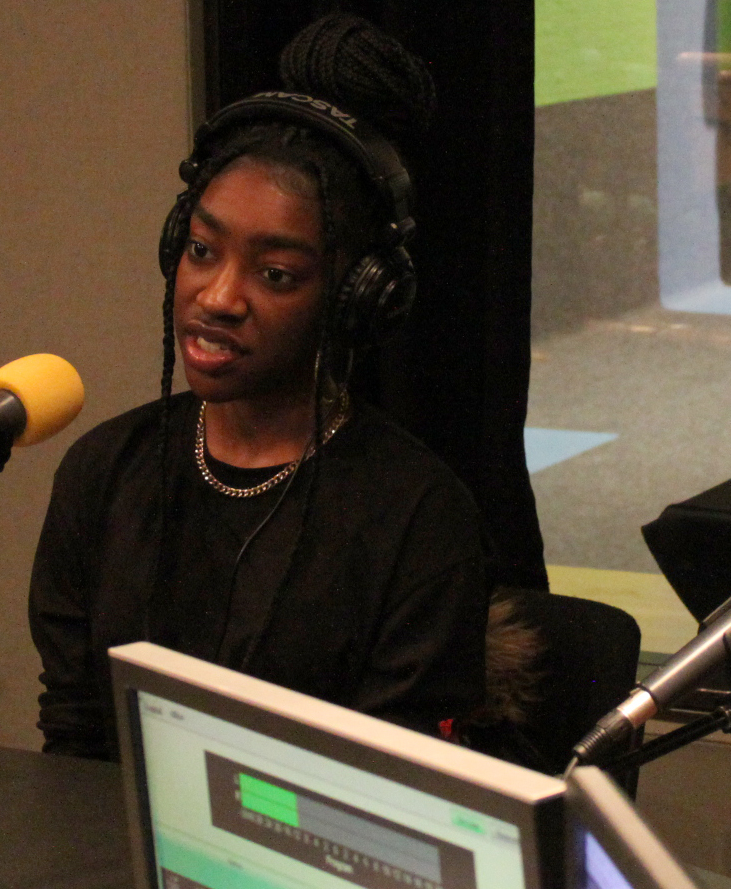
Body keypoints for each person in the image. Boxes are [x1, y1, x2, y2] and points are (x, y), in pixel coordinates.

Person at [29, 15, 489, 761]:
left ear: (353, 297)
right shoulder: (104, 473)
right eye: (203, 250)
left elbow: (396, 785)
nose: (217, 296)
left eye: (275, 274)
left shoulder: (418, 517)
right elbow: (76, 739)